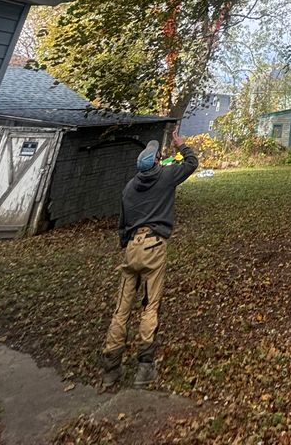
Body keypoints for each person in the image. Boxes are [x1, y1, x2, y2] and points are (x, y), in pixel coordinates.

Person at [101, 130, 198, 389]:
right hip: (155, 246)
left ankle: (111, 367)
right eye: (158, 156)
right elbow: (191, 164)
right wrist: (182, 145)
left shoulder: (129, 188)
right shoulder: (166, 177)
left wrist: (127, 245)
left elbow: (123, 225)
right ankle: (145, 366)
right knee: (150, 305)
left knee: (122, 308)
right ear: (156, 162)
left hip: (132, 248)